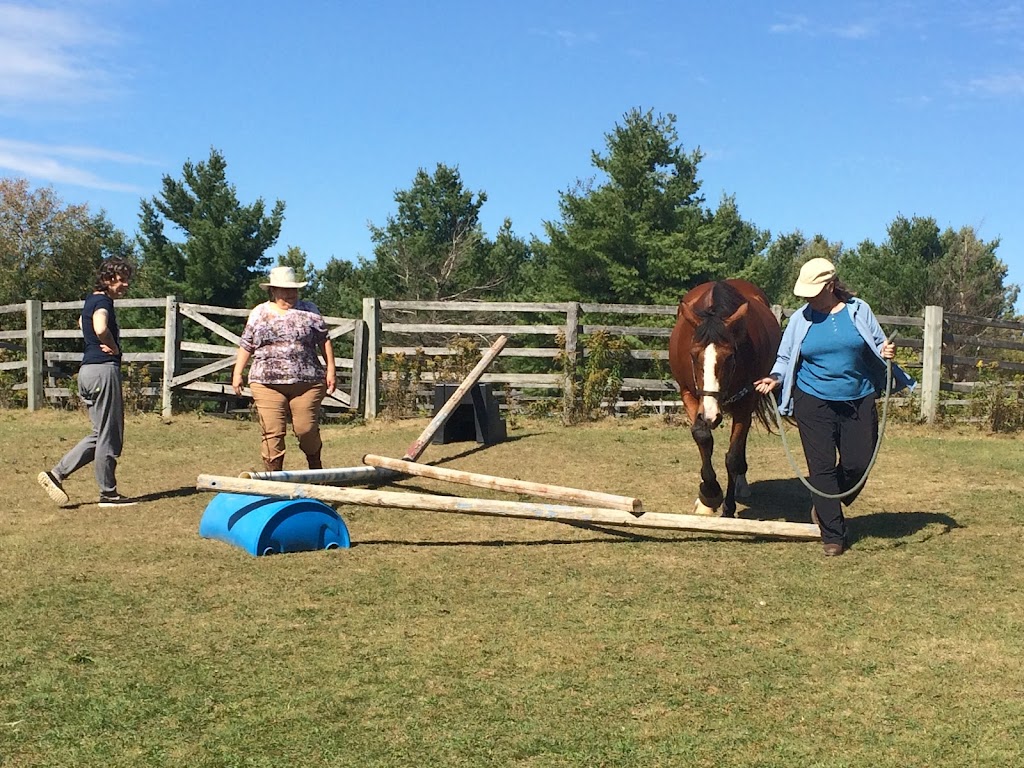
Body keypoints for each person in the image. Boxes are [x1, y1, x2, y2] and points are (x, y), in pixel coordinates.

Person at [754, 257, 915, 557]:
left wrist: (886, 350)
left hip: (859, 396)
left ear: (830, 285)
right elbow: (786, 358)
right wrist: (775, 378)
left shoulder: (858, 310)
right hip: (812, 399)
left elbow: (878, 343)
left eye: (812, 291)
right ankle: (833, 533)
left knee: (858, 463)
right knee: (822, 467)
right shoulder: (801, 319)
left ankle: (826, 502)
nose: (806, 297)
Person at [37, 257, 137, 508]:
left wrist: (95, 341)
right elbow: (100, 326)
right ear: (106, 279)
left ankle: (56, 475)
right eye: (121, 279)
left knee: (99, 433)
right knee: (110, 435)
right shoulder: (103, 301)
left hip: (87, 372)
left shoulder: (90, 300)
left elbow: (83, 322)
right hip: (103, 370)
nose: (125, 285)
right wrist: (113, 347)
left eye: (127, 280)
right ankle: (108, 493)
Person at [232, 265, 336, 472]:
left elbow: (324, 340)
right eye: (284, 289)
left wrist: (330, 370)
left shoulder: (309, 310)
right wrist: (237, 373)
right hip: (266, 382)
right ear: (273, 290)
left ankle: (315, 468)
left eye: (293, 290)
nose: (290, 294)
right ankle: (274, 480)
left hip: (307, 382)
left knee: (305, 429)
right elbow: (246, 344)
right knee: (272, 432)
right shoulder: (259, 312)